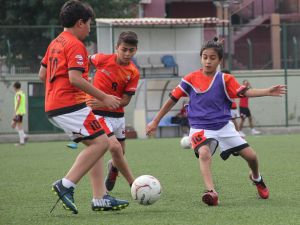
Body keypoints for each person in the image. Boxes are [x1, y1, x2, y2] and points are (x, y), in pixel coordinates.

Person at [146, 37, 286, 206]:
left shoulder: (225, 79)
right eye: (205, 57)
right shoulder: (190, 78)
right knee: (204, 154)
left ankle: (256, 177)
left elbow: (244, 92)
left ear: (219, 60)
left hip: (224, 127)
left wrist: (267, 91)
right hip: (200, 128)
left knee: (252, 157)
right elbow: (172, 100)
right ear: (200, 58)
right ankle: (211, 192)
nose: (208, 61)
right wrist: (155, 121)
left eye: (212, 58)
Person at [38, 0, 128, 214]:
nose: (90, 28)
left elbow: (42, 74)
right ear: (80, 23)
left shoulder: (56, 42)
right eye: (89, 24)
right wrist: (104, 97)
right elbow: (75, 79)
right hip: (69, 104)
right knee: (101, 144)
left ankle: (100, 198)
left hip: (57, 104)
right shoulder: (75, 44)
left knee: (97, 144)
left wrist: (54, 93)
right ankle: (66, 184)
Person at [87, 31, 139, 193]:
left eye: (131, 50)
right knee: (115, 148)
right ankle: (135, 185)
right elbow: (85, 63)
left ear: (136, 50)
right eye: (124, 49)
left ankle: (113, 168)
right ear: (117, 48)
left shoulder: (133, 72)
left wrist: (105, 100)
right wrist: (84, 80)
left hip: (118, 116)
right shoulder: (102, 59)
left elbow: (126, 100)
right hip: (98, 114)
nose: (127, 53)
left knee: (120, 152)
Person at [11, 81, 28, 146]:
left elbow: (18, 101)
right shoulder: (22, 93)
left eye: (14, 87)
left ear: (15, 87)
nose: (13, 88)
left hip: (19, 112)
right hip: (20, 112)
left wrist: (15, 111)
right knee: (13, 125)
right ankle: (24, 136)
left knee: (18, 126)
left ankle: (22, 142)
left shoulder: (18, 94)